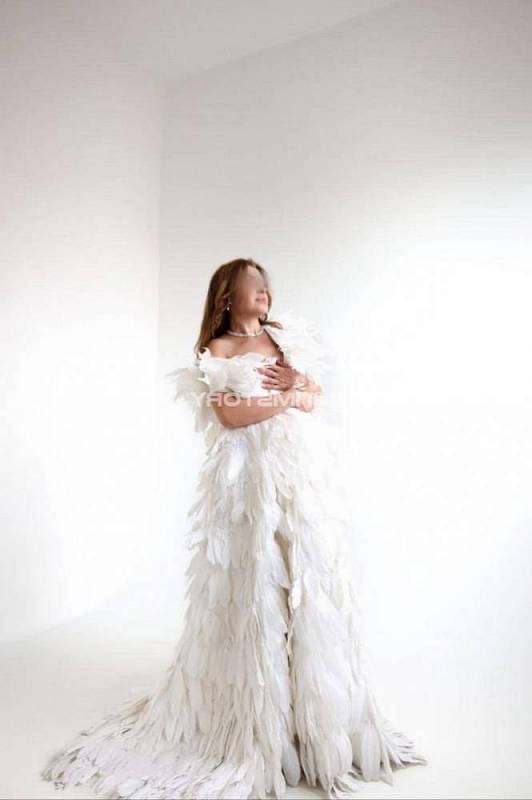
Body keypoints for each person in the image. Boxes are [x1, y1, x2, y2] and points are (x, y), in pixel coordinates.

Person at [41, 257, 427, 799]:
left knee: (307, 586)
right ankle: (259, 721)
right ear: (227, 296)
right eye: (253, 287)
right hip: (248, 486)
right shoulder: (218, 349)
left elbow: (313, 398)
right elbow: (229, 414)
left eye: (266, 287)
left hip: (297, 483)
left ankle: (313, 723)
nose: (264, 294)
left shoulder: (286, 338)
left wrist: (298, 385)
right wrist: (287, 398)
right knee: (258, 586)